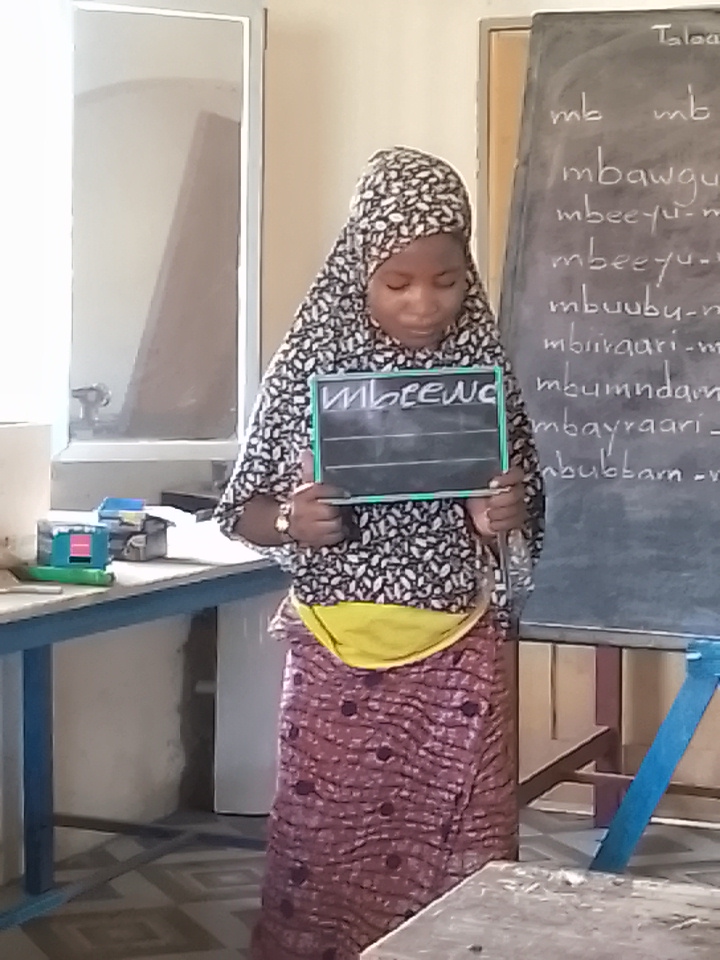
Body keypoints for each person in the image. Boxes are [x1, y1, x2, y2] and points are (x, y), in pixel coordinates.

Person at [216, 146, 544, 960]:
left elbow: (521, 504)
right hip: (336, 654)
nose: (424, 304)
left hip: (457, 651)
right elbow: (244, 509)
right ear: (359, 268)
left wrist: (501, 513)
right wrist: (290, 520)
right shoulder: (309, 361)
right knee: (323, 846)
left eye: (447, 281)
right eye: (397, 283)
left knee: (464, 844)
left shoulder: (481, 363)